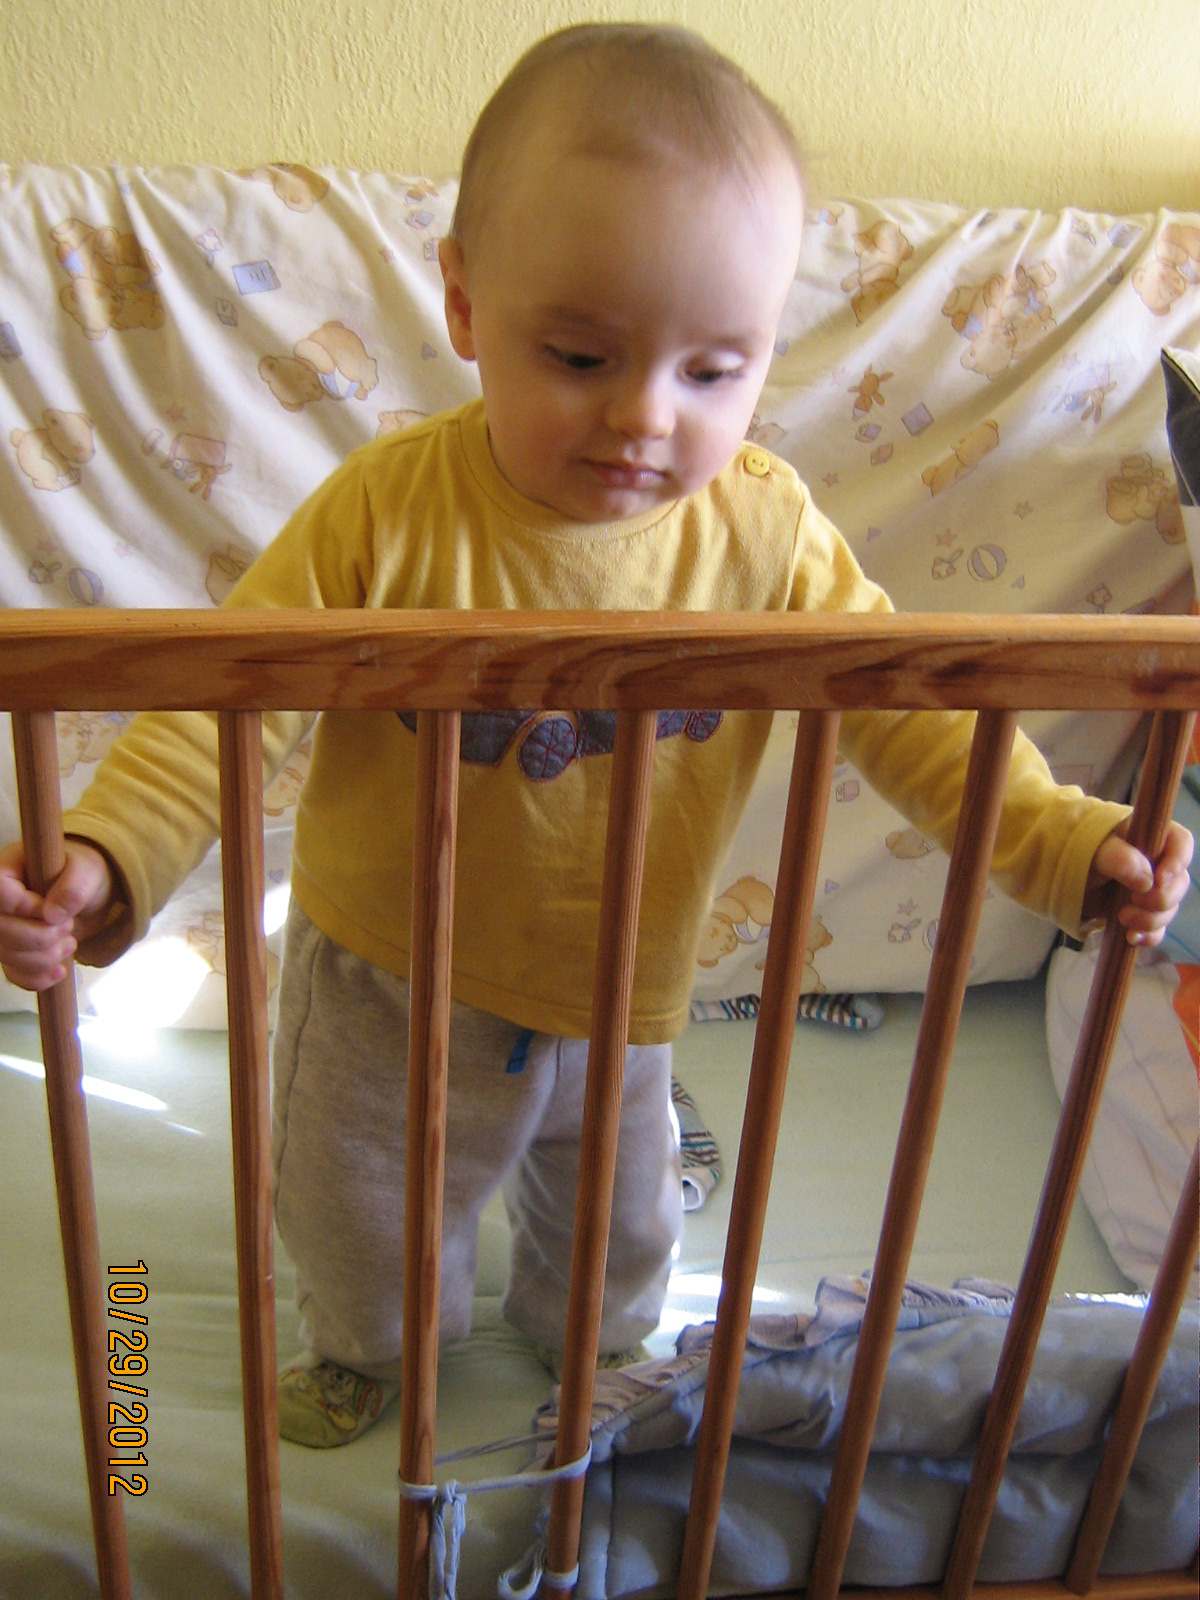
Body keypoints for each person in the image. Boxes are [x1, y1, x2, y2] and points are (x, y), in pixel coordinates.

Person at [0, 24, 1191, 1449]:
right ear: (464, 303)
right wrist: (105, 854)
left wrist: (1063, 843)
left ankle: (589, 1352)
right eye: (578, 355)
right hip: (388, 979)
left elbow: (915, 713)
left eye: (715, 371)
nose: (642, 416)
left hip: (625, 985)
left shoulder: (764, 535)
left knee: (620, 1243)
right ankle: (368, 1350)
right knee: (364, 1214)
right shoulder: (389, 514)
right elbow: (221, 699)